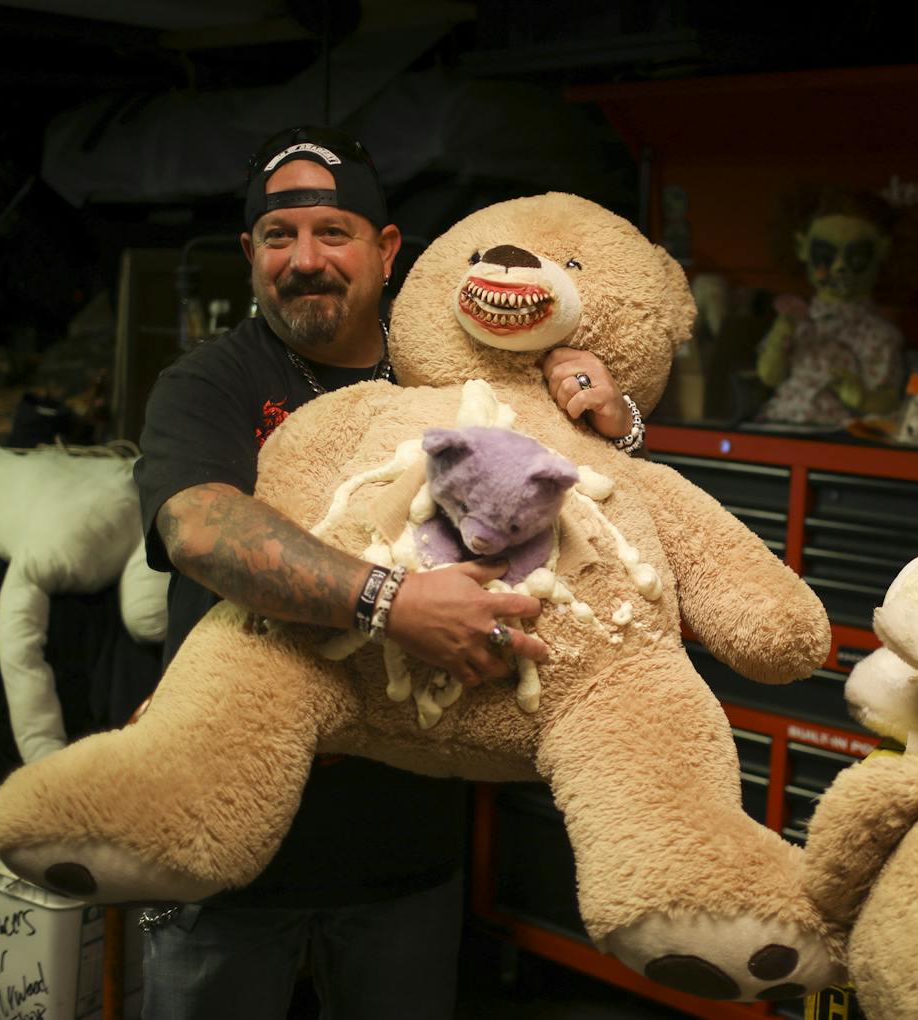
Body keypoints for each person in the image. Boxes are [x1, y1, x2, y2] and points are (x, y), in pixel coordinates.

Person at [132, 125, 643, 1020]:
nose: (305, 260)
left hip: (405, 845)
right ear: (250, 254)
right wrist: (387, 601)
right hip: (225, 844)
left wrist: (614, 416)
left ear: (385, 248)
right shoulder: (207, 383)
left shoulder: (449, 373)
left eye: (332, 232)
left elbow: (587, 497)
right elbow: (199, 526)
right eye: (279, 238)